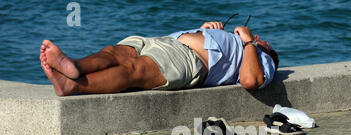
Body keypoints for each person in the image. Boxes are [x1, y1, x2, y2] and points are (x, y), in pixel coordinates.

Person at [40, 21, 279, 96]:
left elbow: (250, 80)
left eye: (264, 41)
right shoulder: (246, 47)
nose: (260, 37)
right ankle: (74, 66)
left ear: (268, 51)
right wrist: (206, 29)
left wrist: (249, 42)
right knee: (114, 52)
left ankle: (73, 84)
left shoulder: (262, 58)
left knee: (133, 69)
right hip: (164, 41)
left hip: (188, 60)